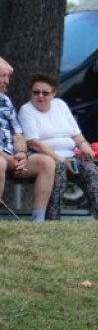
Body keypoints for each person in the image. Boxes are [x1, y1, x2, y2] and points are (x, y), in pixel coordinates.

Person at [18, 73, 98, 221]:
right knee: (58, 169)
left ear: (54, 94)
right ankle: (52, 219)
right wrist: (61, 160)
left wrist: (84, 145)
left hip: (71, 155)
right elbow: (33, 142)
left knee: (91, 171)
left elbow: (76, 134)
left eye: (45, 93)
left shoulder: (60, 105)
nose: (40, 96)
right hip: (46, 157)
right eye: (36, 92)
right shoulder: (27, 110)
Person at [0, 57, 55, 221]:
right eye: (3, 76)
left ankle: (38, 220)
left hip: (12, 157)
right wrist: (6, 157)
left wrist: (22, 154)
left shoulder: (5, 100)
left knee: (47, 162)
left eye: (8, 77)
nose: (7, 81)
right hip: (2, 158)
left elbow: (18, 134)